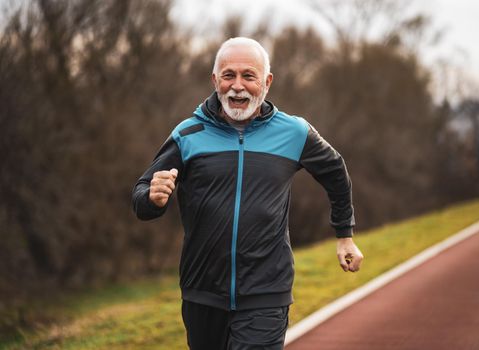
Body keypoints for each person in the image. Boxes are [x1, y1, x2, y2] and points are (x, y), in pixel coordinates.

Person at [132, 37, 363, 350]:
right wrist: (153, 198)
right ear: (215, 81)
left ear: (266, 82)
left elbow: (336, 172)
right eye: (228, 75)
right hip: (202, 291)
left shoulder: (294, 132)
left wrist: (344, 233)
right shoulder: (188, 134)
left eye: (248, 76)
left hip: (267, 292)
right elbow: (142, 195)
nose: (237, 86)